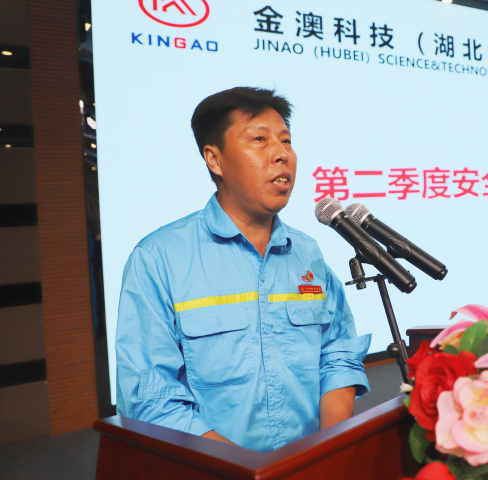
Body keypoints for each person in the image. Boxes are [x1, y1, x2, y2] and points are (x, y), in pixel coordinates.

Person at [115, 87, 371, 451]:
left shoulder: (307, 252)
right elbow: (150, 399)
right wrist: (253, 471)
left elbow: (337, 355)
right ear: (214, 159)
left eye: (286, 140)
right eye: (260, 140)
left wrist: (327, 450)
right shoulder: (158, 259)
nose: (282, 154)